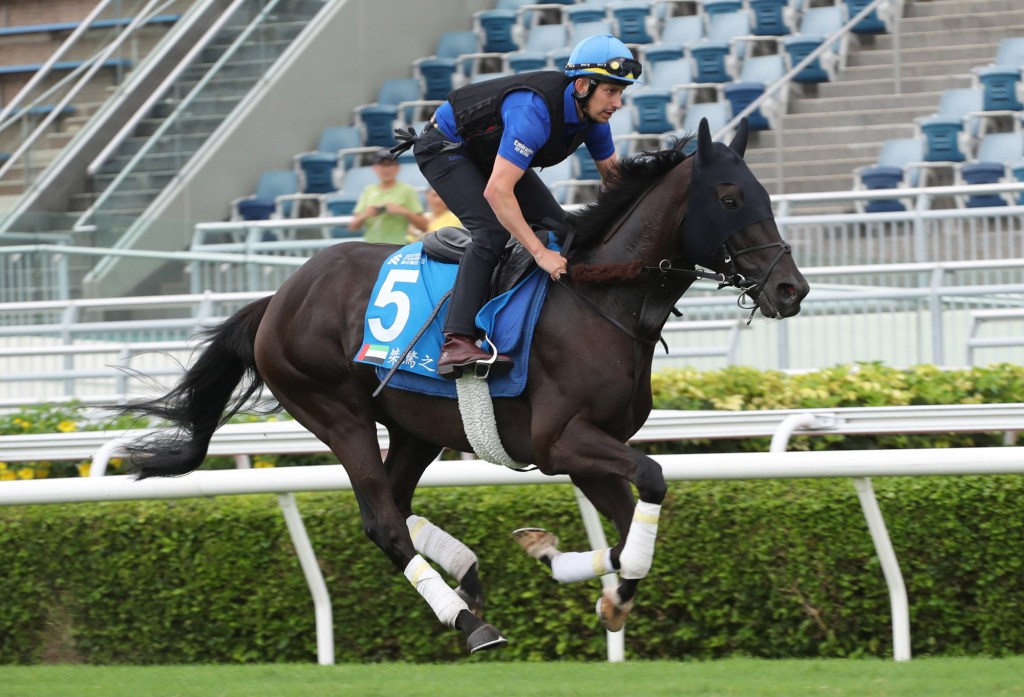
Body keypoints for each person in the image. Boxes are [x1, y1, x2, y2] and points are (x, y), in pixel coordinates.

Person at [401, 34, 642, 378]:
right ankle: (456, 341)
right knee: (491, 231)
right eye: (611, 91)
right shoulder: (533, 111)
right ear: (582, 86)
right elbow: (498, 192)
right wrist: (540, 253)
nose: (617, 103)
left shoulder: (592, 116)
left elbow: (615, 181)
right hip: (446, 148)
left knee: (564, 230)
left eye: (621, 92)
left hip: (487, 151)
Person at [350, 149, 427, 244]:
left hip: (397, 246)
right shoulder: (368, 190)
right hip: (371, 247)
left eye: (390, 165)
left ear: (397, 168)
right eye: (382, 165)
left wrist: (403, 211)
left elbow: (424, 226)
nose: (386, 170)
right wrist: (365, 215)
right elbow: (353, 227)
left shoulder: (407, 190)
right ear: (375, 168)